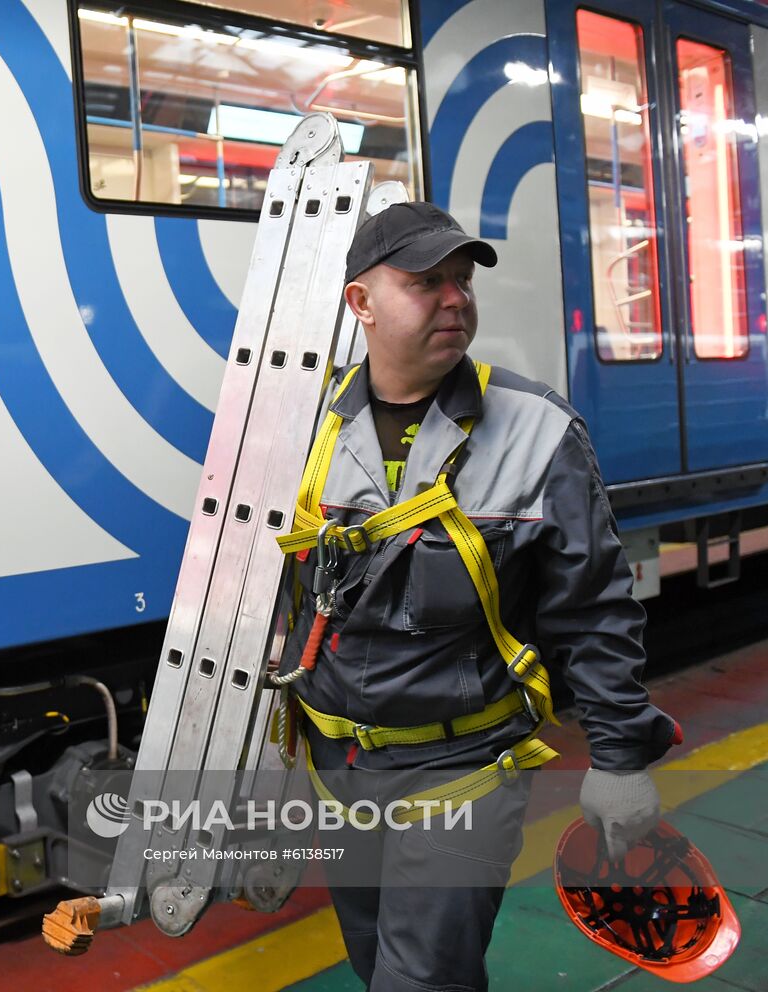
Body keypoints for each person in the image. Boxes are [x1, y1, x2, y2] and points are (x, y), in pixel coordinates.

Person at [274, 201, 681, 991]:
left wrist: (619, 757)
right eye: (426, 282)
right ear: (361, 302)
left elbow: (592, 608)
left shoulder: (537, 431)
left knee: (422, 980)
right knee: (370, 957)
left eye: (462, 280)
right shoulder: (300, 428)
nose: (455, 299)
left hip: (462, 769)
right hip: (338, 769)